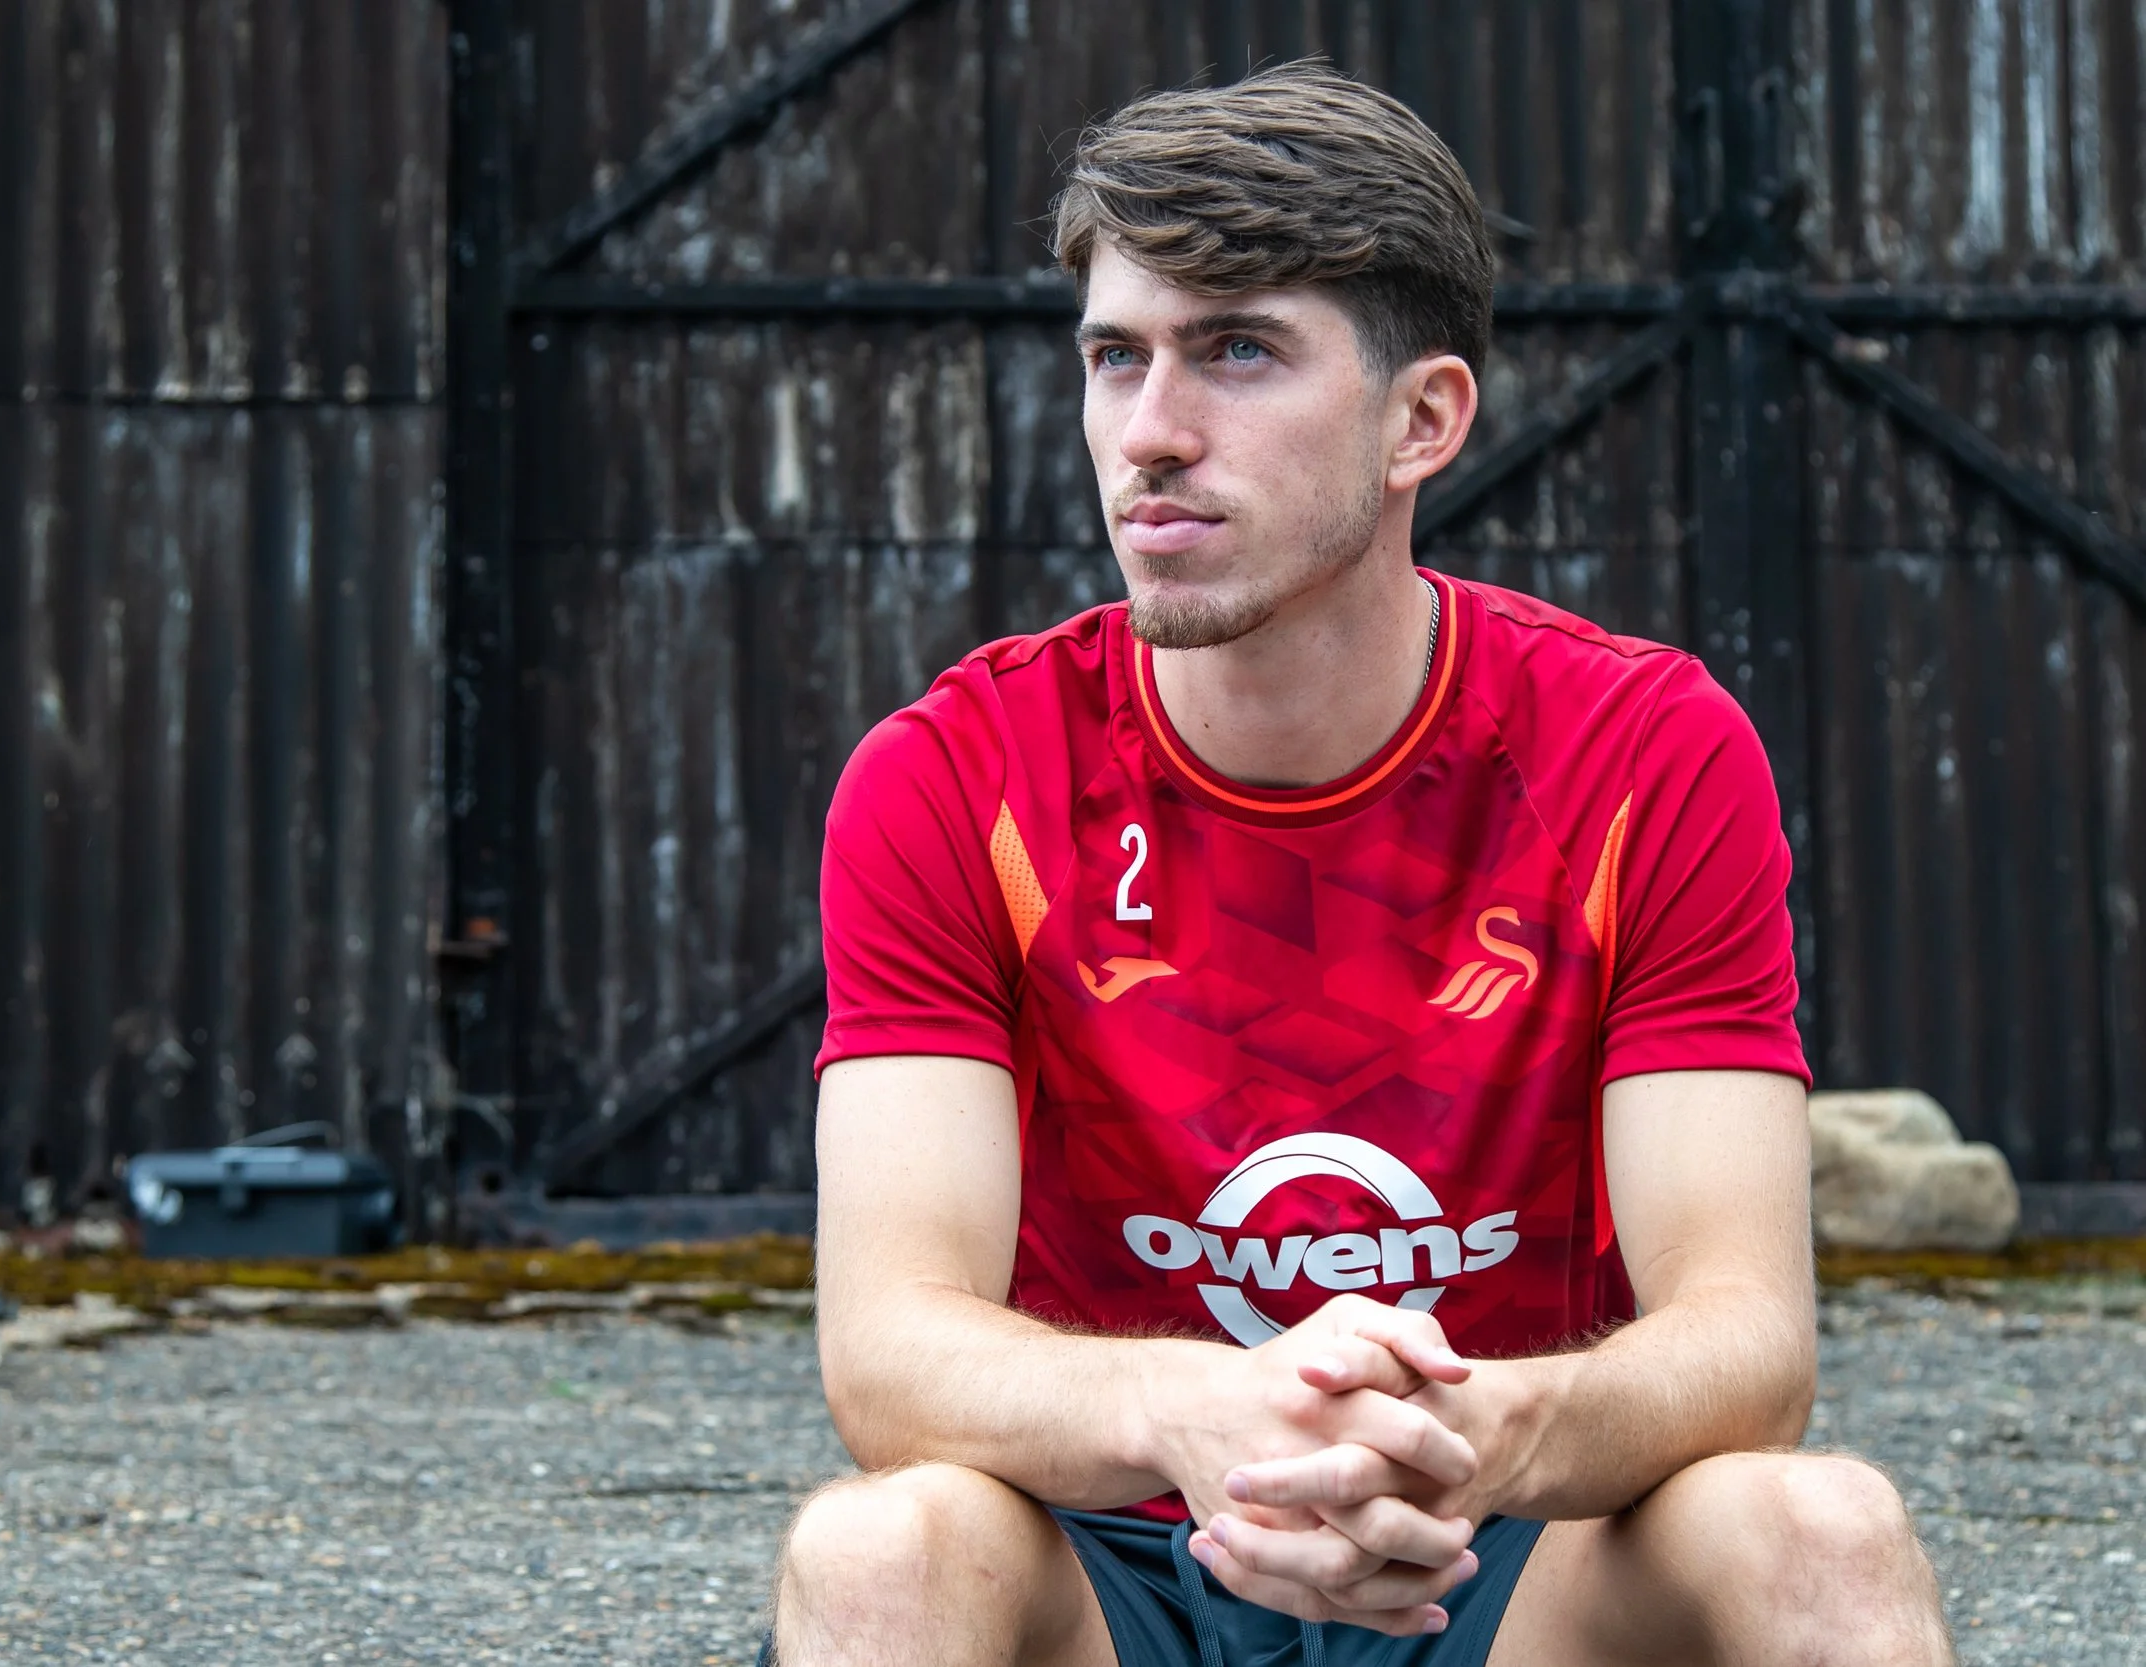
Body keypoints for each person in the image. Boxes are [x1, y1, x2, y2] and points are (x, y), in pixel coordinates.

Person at [765, 57, 1954, 1667]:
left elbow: (1747, 1341)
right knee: (875, 1551)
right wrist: (1197, 1409)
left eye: (1238, 351)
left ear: (1424, 420)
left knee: (1823, 1532)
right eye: (1117, 358)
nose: (1151, 433)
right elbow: (888, 1352)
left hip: (1500, 1553)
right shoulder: (955, 774)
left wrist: (1485, 1432)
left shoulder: (1643, 752)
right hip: (1118, 1556)